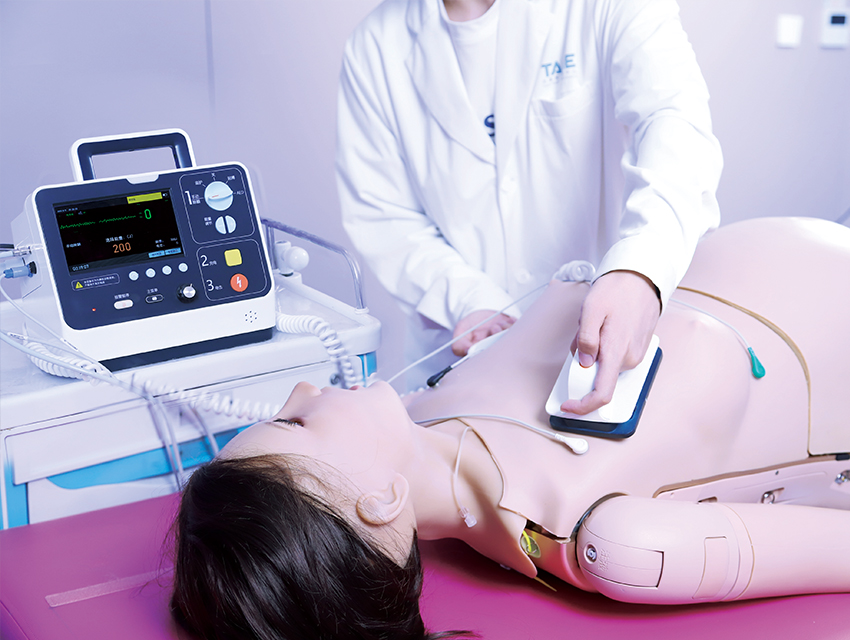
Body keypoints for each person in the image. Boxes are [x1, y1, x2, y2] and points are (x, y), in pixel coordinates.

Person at [171, 218, 850, 640]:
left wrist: (507, 335)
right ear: (376, 502)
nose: (300, 392)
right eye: (294, 422)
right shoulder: (606, 537)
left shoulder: (421, 406)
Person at [336, 0, 723, 412]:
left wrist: (640, 266)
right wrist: (469, 299)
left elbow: (674, 124)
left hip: (598, 347)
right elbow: (383, 213)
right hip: (463, 364)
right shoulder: (374, 45)